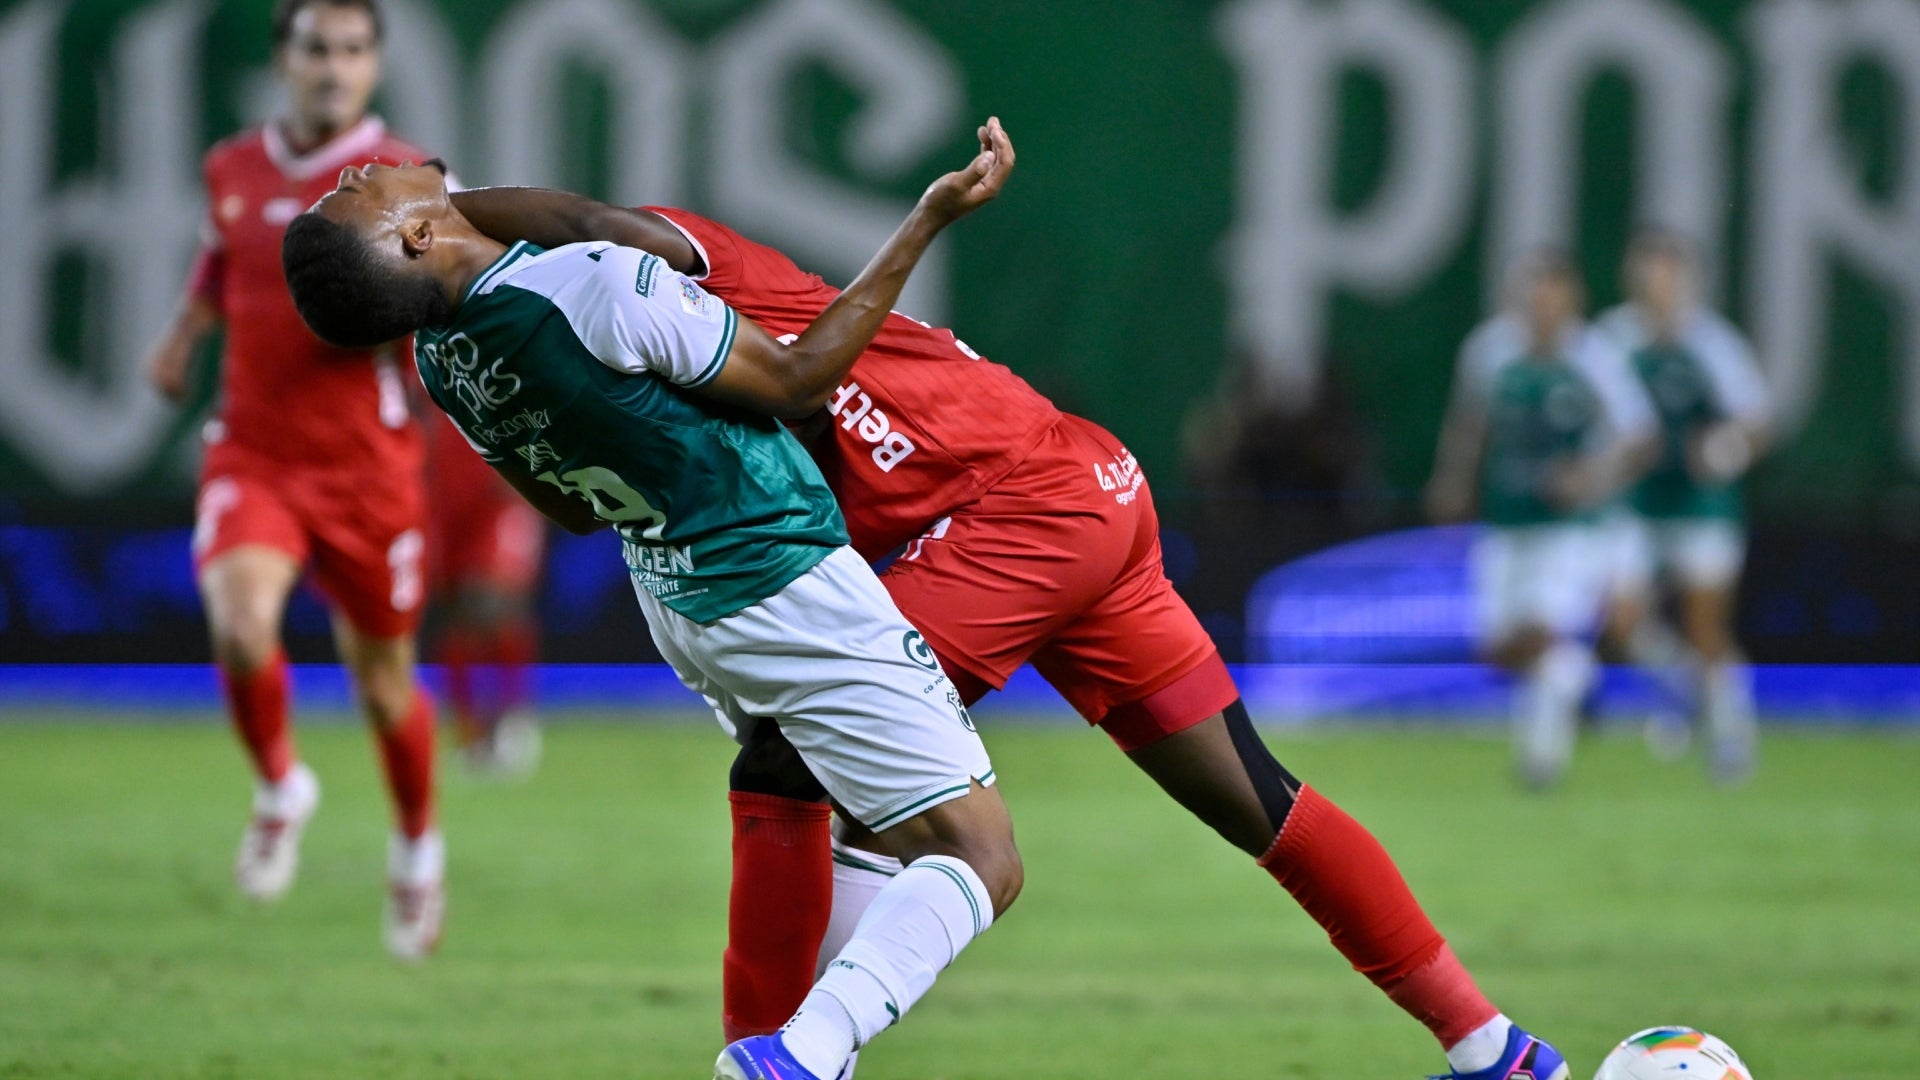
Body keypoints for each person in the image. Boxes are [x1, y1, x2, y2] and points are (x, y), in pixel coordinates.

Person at [448, 188, 1570, 1080]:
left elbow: (593, 223)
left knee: (787, 761)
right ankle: (1496, 1050)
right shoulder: (648, 354)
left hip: (1019, 508)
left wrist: (458, 213)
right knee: (1256, 801)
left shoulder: (695, 271)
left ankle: (779, 1057)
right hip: (1082, 488)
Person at [283, 120, 1031, 1080]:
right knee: (982, 857)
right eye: (353, 195)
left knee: (872, 825)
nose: (354, 170)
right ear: (413, 239)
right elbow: (800, 379)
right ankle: (799, 1056)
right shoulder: (592, 282)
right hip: (783, 578)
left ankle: (806, 1053)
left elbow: (567, 506)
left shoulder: (442, 361)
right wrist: (927, 221)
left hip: (682, 601)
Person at [139, 0, 443, 960]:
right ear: (286, 60)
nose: (334, 66)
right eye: (317, 48)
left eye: (353, 50)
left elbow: (463, 289)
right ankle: (280, 786)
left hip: (368, 466)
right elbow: (219, 259)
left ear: (374, 66)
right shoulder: (232, 166)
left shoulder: (408, 181)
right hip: (257, 450)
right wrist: (186, 333)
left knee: (383, 686)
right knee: (238, 623)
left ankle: (416, 851)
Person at [1427, 251, 1656, 788]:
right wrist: (1453, 479)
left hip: (1570, 530)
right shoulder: (1489, 351)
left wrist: (1590, 475)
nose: (1541, 304)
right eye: (1532, 291)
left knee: (1541, 630)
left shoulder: (1595, 357)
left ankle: (1540, 763)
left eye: (1552, 292)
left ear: (1571, 299)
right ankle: (1580, 675)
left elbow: (1641, 440)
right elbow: (1469, 423)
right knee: (1497, 650)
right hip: (1507, 522)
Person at [1596, 229, 1772, 783]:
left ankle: (1732, 736)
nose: (1658, 287)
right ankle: (1684, 694)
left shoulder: (1714, 343)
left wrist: (1726, 447)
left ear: (1686, 281)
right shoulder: (1613, 340)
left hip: (1702, 505)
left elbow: (1755, 420)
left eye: (1668, 275)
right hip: (1636, 504)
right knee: (1620, 623)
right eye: (1648, 274)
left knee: (1704, 628)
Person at [424, 407, 547, 775]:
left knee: (495, 602)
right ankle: (470, 735)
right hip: (445, 495)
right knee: (457, 616)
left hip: (500, 489)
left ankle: (513, 719)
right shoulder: (418, 352)